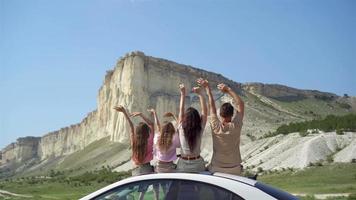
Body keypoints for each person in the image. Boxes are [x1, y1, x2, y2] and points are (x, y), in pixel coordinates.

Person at [198, 78, 245, 175]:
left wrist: (207, 88)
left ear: (220, 114)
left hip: (216, 169)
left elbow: (212, 107)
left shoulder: (216, 126)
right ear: (232, 115)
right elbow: (241, 104)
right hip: (235, 169)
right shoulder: (236, 126)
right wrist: (228, 90)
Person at [113, 106, 159, 200]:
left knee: (135, 189)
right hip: (147, 168)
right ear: (147, 132)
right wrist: (141, 115)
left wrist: (124, 112)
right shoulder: (150, 140)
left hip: (136, 170)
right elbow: (151, 124)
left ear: (137, 132)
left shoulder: (134, 141)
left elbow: (130, 126)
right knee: (150, 186)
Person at [176, 83, 208, 173]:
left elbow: (181, 110)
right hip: (198, 163)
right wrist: (200, 94)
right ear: (197, 118)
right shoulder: (199, 128)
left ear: (185, 118)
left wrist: (182, 94)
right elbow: (204, 112)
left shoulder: (181, 127)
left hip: (183, 164)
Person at [148, 108, 180, 173]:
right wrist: (174, 116)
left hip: (159, 167)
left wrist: (154, 113)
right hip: (170, 167)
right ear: (172, 129)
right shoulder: (174, 138)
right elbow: (180, 127)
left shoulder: (158, 137)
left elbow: (157, 126)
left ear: (162, 129)